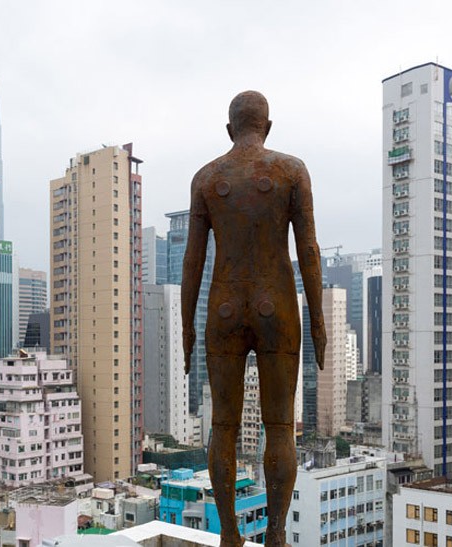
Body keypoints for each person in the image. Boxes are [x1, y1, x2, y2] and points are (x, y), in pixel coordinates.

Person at [181, 90, 326, 547]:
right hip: (276, 303)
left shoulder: (207, 178)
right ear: (267, 127)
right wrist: (318, 320)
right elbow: (308, 251)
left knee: (222, 424)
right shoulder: (291, 170)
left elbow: (192, 260)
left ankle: (228, 533)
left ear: (230, 129)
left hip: (222, 304)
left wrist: (186, 326)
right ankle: (277, 536)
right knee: (279, 424)